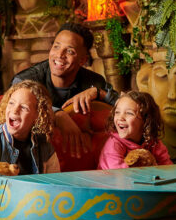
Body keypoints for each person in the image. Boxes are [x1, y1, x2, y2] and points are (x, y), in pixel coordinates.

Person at [11, 22, 119, 158]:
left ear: (82, 60)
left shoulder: (93, 82)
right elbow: (13, 116)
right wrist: (58, 114)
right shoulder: (25, 80)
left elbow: (126, 107)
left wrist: (99, 93)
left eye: (70, 51)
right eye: (56, 47)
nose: (60, 55)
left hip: (80, 161)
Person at [0, 80, 60, 174]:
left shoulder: (44, 144)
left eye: (24, 107)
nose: (15, 110)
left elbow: (54, 181)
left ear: (37, 116)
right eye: (11, 103)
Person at [98, 91, 173, 169]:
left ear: (146, 120)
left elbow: (168, 168)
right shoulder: (114, 145)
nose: (120, 118)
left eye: (129, 113)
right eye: (117, 112)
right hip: (113, 180)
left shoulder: (153, 143)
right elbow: (120, 176)